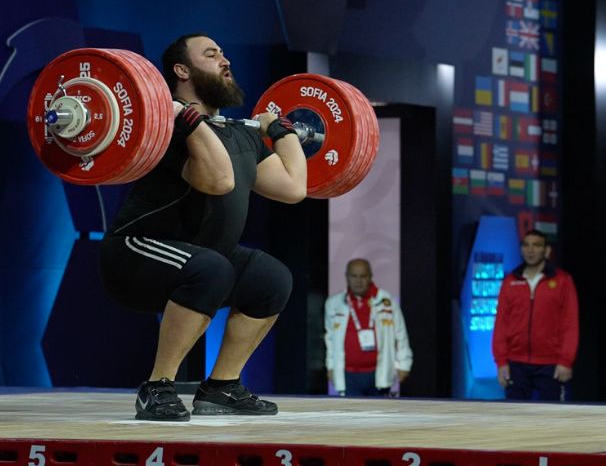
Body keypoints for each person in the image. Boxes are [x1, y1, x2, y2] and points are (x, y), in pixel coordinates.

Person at [99, 33, 308, 421]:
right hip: (135, 253)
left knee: (271, 278)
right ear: (182, 70)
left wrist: (281, 131)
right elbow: (218, 181)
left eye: (225, 53)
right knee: (212, 268)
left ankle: (222, 387)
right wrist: (186, 117)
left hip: (200, 258)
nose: (225, 61)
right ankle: (157, 387)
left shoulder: (241, 133)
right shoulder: (166, 129)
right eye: (211, 55)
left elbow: (293, 188)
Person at [491, 229, 579, 401]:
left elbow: (570, 324)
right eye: (526, 245)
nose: (530, 250)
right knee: (515, 419)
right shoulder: (510, 281)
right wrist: (501, 361)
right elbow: (501, 323)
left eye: (536, 245)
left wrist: (566, 361)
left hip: (551, 365)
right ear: (521, 249)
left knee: (551, 419)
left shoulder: (562, 281)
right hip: (516, 363)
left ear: (547, 251)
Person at [324, 258, 413, 397]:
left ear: (370, 276)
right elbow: (329, 339)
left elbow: (401, 334)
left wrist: (404, 364)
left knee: (379, 416)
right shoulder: (334, 303)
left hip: (379, 372)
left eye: (363, 276)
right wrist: (330, 366)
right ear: (347, 277)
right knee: (352, 417)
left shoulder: (386, 301)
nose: (358, 281)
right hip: (348, 375)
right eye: (354, 276)